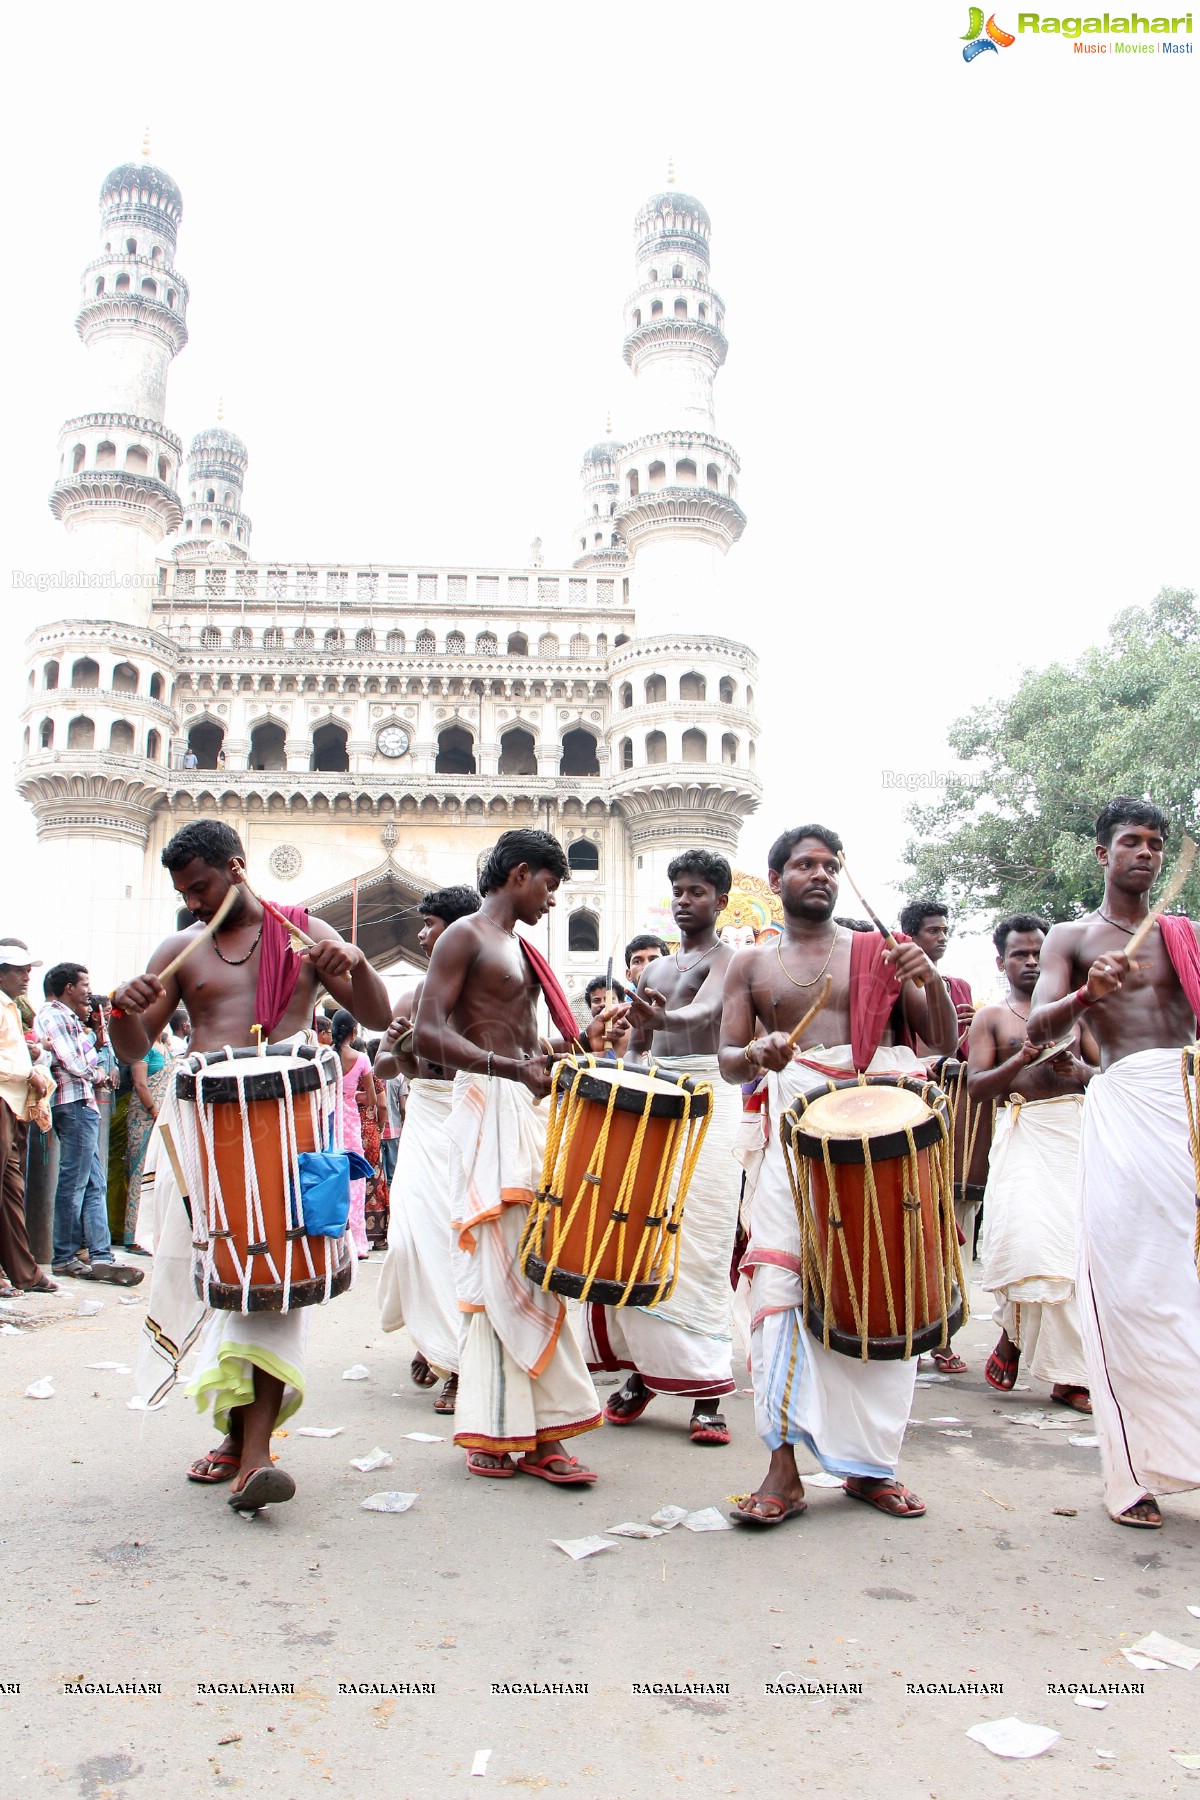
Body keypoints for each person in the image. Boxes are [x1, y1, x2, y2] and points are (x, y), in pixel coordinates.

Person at [110, 819, 391, 1512]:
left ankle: (256, 1451)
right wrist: (123, 1011)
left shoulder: (306, 937)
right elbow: (130, 1046)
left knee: (273, 1277)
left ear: (237, 869)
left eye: (201, 887)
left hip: (288, 1132)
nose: (194, 904)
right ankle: (237, 1435)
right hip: (204, 1134)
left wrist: (349, 969)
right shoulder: (181, 949)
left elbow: (379, 1014)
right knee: (219, 1280)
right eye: (185, 893)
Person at [718, 824, 958, 1526]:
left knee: (883, 1286)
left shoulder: (880, 953)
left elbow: (940, 1038)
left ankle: (870, 1467)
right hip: (792, 1139)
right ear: (777, 878)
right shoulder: (751, 965)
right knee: (782, 1284)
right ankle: (782, 1467)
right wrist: (757, 1051)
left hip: (874, 1133)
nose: (819, 874)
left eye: (830, 865)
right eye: (804, 865)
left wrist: (929, 978)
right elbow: (729, 1058)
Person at [1028, 797, 1200, 1530]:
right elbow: (1038, 1030)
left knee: (1189, 1290)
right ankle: (1132, 1477)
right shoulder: (1071, 937)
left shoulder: (1184, 935)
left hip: (1189, 1102)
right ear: (1102, 854)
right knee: (1130, 1290)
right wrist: (1082, 995)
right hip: (1125, 1109)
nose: (1147, 854)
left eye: (1156, 845)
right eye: (1131, 842)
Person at [413, 830, 604, 1483]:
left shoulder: (521, 948)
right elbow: (426, 1031)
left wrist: (583, 1042)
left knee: (529, 1265)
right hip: (487, 1105)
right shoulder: (465, 935)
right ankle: (527, 1436)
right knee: (510, 1265)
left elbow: (534, 1051)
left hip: (521, 1106)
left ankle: (514, 1430)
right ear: (521, 873)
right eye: (549, 886)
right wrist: (511, 1069)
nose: (552, 900)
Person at [586, 849, 742, 1446]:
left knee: (700, 1242)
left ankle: (706, 1392)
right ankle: (645, 1375)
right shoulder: (653, 971)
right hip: (657, 1100)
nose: (684, 899)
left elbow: (704, 1011)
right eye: (678, 889)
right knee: (644, 1235)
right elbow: (636, 1049)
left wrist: (659, 1018)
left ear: (720, 901)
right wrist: (625, 1070)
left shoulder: (733, 958)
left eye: (698, 891)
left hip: (710, 1098)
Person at [968, 914, 1096, 1414]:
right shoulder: (992, 1018)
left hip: (1074, 1136)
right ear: (1001, 962)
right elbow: (978, 1087)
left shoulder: (1077, 1014)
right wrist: (1020, 1059)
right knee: (1027, 1245)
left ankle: (1070, 1376)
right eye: (1019, 954)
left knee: (1070, 1255)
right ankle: (1014, 1331)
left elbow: (1104, 1072)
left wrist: (1078, 1068)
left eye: (1038, 953)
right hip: (1023, 1137)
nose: (1030, 961)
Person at [376, 884, 482, 1414]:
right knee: (409, 1237)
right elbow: (382, 1068)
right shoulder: (411, 996)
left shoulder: (488, 994)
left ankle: (459, 1364)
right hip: (424, 1114)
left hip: (468, 1115)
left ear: (459, 933)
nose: (420, 935)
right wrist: (399, 1046)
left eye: (431, 925)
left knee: (458, 1238)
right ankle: (432, 1337)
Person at [37, 963, 141, 1285]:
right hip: (75, 1105)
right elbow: (74, 1063)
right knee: (75, 1184)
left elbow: (88, 1057)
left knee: (94, 1185)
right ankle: (65, 1256)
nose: (88, 990)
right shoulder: (54, 1015)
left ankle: (100, 1255)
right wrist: (99, 1075)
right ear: (68, 987)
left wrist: (97, 1039)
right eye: (84, 984)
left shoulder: (72, 1019)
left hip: (84, 1106)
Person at [0, 943, 57, 1295]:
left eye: (28, 970)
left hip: (13, 1104)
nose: (26, 977)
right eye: (19, 970)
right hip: (4, 1097)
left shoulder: (11, 1008)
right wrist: (28, 1073)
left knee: (11, 1193)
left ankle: (25, 1272)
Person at [331, 1010, 378, 1258]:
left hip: (326, 1120)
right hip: (349, 1120)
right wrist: (351, 1096)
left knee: (330, 1177)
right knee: (355, 1181)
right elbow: (371, 1098)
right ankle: (357, 1243)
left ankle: (332, 1242)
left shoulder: (325, 1057)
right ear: (354, 1031)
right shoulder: (361, 1059)